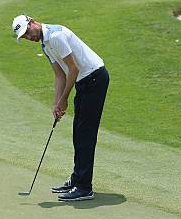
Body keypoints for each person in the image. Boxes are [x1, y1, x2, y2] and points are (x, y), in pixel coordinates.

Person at [12, 14, 109, 201]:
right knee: (78, 133)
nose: (28, 37)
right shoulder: (45, 45)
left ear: (32, 22)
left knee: (85, 135)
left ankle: (84, 187)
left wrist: (64, 99)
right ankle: (77, 179)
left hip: (95, 78)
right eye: (24, 37)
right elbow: (59, 75)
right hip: (84, 82)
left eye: (27, 32)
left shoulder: (56, 36)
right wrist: (56, 103)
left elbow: (74, 69)